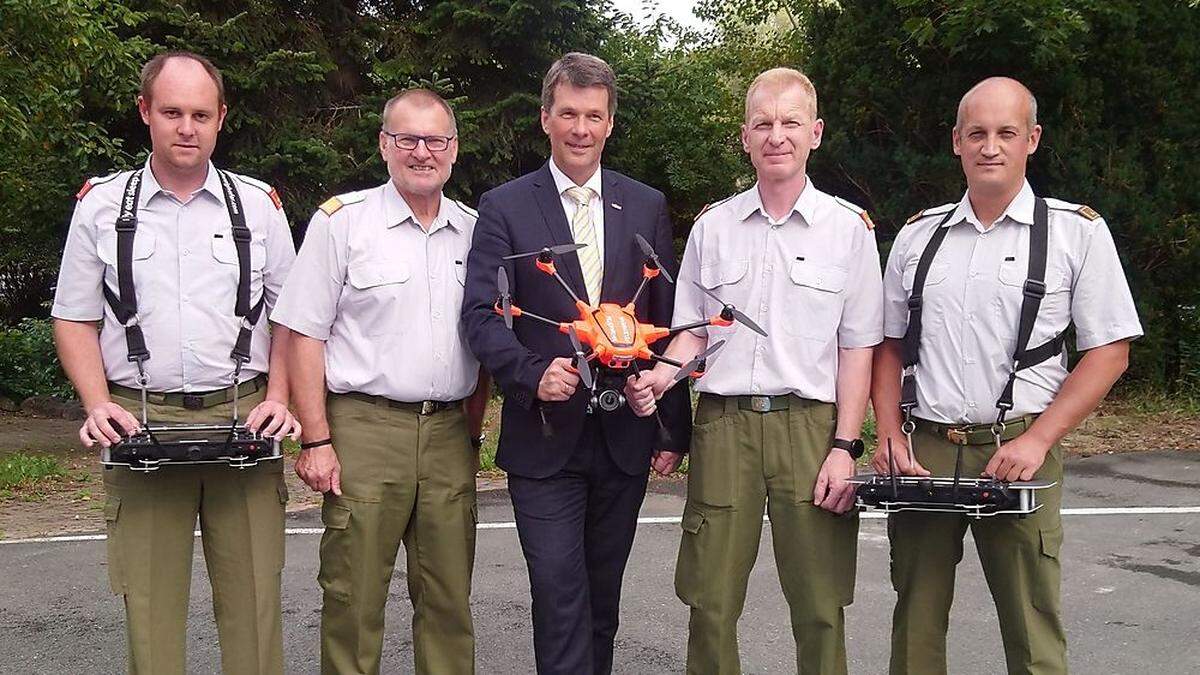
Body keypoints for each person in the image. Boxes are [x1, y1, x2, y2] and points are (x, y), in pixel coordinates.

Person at [871, 76, 1142, 675]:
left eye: (1006, 133)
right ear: (956, 143)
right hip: (928, 449)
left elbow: (1110, 350)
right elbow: (888, 346)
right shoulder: (918, 238)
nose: (990, 146)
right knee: (915, 618)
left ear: (1032, 139)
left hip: (1020, 448)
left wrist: (1040, 439)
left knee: (1031, 621)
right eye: (977, 133)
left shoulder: (1076, 232)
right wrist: (888, 430)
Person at [626, 67, 883, 674]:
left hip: (810, 430)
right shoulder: (714, 227)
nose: (777, 135)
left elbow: (858, 350)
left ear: (814, 132)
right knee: (710, 601)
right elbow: (692, 331)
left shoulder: (848, 231)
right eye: (763, 123)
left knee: (820, 603)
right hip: (725, 427)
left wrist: (846, 445)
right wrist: (659, 379)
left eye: (790, 122)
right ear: (744, 135)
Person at [51, 51, 300, 674]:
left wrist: (281, 398)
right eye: (171, 112)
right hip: (142, 423)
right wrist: (95, 402)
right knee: (153, 625)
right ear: (145, 113)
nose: (186, 127)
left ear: (220, 119)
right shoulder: (102, 206)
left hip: (243, 422)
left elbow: (293, 320)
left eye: (199, 114)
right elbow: (74, 317)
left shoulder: (260, 207)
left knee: (254, 618)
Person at [460, 52, 691, 674]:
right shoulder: (506, 206)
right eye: (568, 114)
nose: (580, 128)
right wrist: (533, 372)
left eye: (594, 115)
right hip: (545, 439)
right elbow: (480, 315)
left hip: (623, 437)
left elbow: (665, 319)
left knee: (602, 603)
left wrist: (670, 421)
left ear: (611, 122)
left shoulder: (643, 205)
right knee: (560, 599)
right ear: (546, 118)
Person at [272, 88, 489, 675]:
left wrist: (472, 431)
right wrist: (315, 438)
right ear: (384, 145)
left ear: (454, 148)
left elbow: (487, 340)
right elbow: (302, 334)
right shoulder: (343, 224)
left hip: (448, 432)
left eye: (436, 140)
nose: (423, 152)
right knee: (353, 596)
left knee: (448, 600)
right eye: (407, 139)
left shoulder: (475, 232)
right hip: (363, 429)